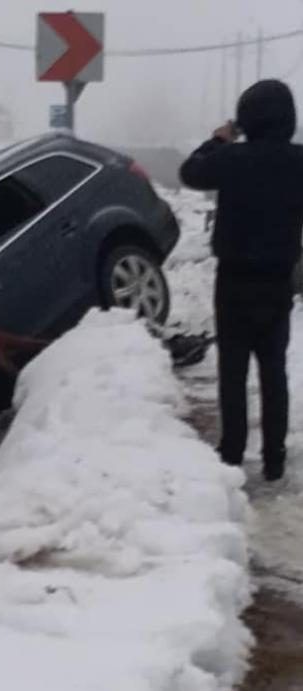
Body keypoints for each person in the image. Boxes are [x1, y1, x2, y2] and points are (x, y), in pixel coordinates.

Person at [180, 79, 303, 481]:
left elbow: (190, 173)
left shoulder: (230, 158)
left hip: (233, 283)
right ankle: (274, 459)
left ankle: (231, 454)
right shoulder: (298, 160)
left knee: (232, 372)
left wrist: (218, 140)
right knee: (274, 372)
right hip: (277, 282)